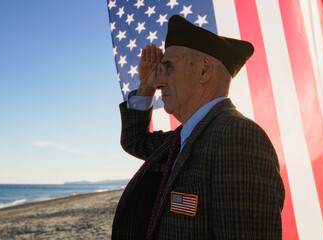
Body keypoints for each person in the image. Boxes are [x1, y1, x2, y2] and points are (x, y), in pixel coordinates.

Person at [112, 15, 285, 239]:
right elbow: (135, 141)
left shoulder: (237, 135)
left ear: (204, 70)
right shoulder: (184, 137)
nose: (158, 81)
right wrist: (145, 87)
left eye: (168, 67)